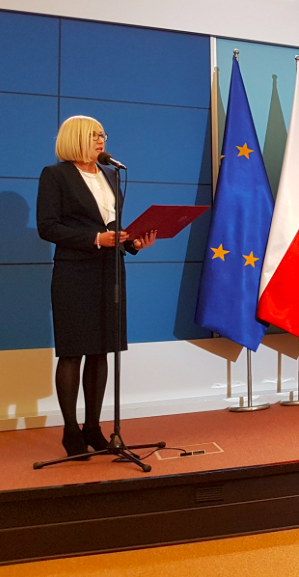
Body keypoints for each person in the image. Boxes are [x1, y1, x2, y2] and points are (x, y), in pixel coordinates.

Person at [37, 116, 157, 458]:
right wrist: (94, 238)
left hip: (109, 271)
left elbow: (114, 230)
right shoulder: (55, 175)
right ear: (75, 139)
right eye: (94, 135)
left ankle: (94, 427)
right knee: (73, 351)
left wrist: (132, 244)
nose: (101, 140)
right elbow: (48, 227)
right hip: (74, 274)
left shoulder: (109, 174)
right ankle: (71, 430)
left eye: (103, 134)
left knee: (101, 350)